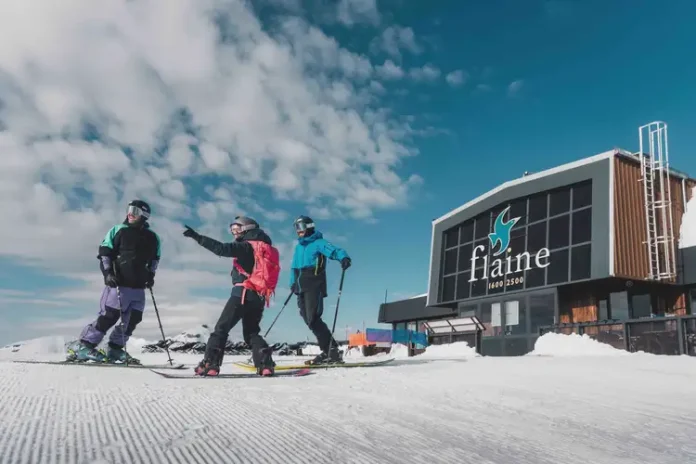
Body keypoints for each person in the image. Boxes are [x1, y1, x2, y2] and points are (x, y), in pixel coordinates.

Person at [183, 216, 279, 376]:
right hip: (259, 296)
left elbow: (221, 248)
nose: (234, 233)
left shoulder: (246, 246)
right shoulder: (265, 248)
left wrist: (197, 237)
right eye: (232, 229)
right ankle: (265, 364)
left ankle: (210, 364)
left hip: (241, 293)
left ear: (247, 229)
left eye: (237, 229)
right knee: (252, 333)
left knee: (221, 329)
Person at [68, 200, 161, 364]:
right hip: (118, 284)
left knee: (133, 319)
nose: (130, 213)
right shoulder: (118, 230)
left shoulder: (153, 237)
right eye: (129, 209)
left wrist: (151, 276)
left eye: (135, 211)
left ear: (144, 215)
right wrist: (108, 273)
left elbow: (154, 260)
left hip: (139, 287)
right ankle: (84, 346)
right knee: (109, 316)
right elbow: (105, 253)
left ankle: (115, 349)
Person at [290, 215, 351, 365]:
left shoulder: (319, 243)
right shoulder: (299, 247)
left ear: (309, 226)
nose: (298, 231)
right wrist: (293, 283)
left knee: (313, 317)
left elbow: (335, 250)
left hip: (314, 284)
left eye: (301, 227)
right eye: (296, 228)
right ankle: (330, 351)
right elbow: (293, 267)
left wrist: (343, 257)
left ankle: (332, 351)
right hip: (301, 286)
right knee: (307, 319)